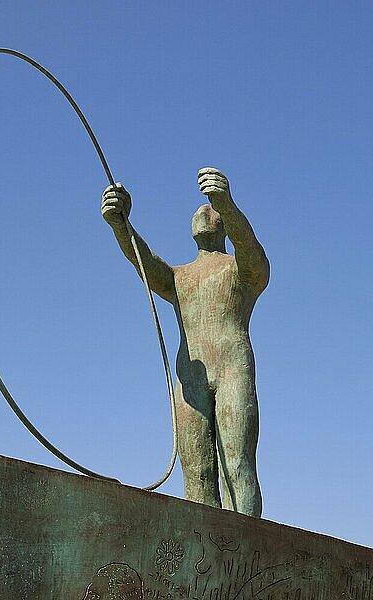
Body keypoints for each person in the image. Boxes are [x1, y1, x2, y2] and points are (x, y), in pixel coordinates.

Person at [101, 168, 269, 517]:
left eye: (210, 210)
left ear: (224, 224)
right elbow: (144, 262)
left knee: (236, 466)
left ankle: (243, 555)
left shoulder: (240, 269)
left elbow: (253, 254)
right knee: (196, 476)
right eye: (199, 211)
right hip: (190, 378)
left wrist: (227, 203)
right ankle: (204, 561)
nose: (202, 212)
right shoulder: (180, 277)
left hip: (232, 368)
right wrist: (122, 225)